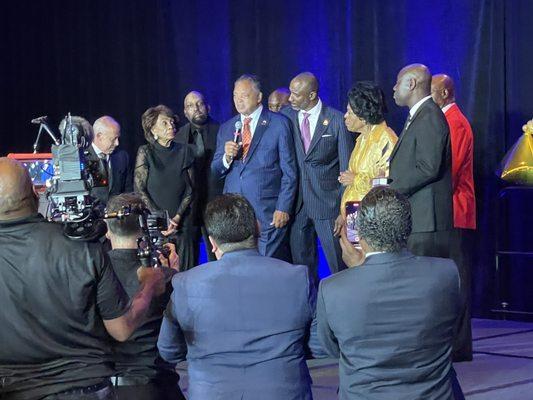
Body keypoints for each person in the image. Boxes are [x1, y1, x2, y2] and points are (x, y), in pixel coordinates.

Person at [0, 157, 164, 400]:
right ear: (36, 194)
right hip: (86, 388)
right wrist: (150, 283)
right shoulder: (82, 247)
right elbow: (121, 329)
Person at [157, 194, 315, 399]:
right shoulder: (298, 276)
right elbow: (319, 345)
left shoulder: (185, 283)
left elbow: (169, 351)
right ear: (258, 228)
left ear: (212, 243)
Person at [313, 186, 461, 400]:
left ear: (360, 234)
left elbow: (333, 348)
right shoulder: (447, 274)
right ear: (408, 228)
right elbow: (449, 334)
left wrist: (357, 274)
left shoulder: (333, 289)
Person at [104, 193, 185, 400]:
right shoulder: (163, 276)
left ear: (107, 229)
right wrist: (176, 277)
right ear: (145, 227)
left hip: (106, 387)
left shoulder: (91, 273)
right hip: (156, 385)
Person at [212, 74, 297, 260]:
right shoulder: (227, 127)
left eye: (244, 95)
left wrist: (283, 207)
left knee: (265, 266)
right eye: (235, 95)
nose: (238, 100)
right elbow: (215, 170)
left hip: (267, 212)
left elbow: (289, 171)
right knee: (238, 268)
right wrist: (226, 157)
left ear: (259, 97)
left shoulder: (279, 124)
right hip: (235, 215)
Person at [282, 71, 353, 281]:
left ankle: (342, 309)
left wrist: (342, 209)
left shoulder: (336, 120)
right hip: (297, 205)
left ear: (312, 95)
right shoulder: (286, 118)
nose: (290, 98)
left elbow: (346, 167)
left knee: (337, 264)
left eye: (296, 94)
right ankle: (310, 310)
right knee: (301, 267)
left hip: (327, 205)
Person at [432, 74, 476, 362]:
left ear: (445, 92)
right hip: (448, 208)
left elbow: (453, 168)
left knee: (457, 279)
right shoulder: (444, 120)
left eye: (431, 91)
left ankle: (459, 346)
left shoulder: (455, 122)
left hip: (456, 209)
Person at [390, 63, 453, 258]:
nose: (393, 88)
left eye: (397, 82)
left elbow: (428, 167)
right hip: (417, 218)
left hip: (426, 222)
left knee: (425, 283)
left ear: (411, 83)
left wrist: (391, 187)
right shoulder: (419, 115)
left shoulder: (429, 116)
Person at [135, 104, 195, 270]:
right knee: (159, 276)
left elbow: (190, 190)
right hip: (155, 225)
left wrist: (176, 218)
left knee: (184, 272)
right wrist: (160, 220)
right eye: (165, 123)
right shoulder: (145, 152)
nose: (171, 126)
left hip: (181, 223)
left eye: (172, 122)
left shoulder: (186, 151)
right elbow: (140, 190)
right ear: (153, 129)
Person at [338, 81, 398, 221]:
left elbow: (390, 184)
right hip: (355, 217)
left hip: (374, 221)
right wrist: (342, 215)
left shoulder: (385, 140)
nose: (345, 116)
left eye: (350, 112)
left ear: (363, 116)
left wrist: (356, 179)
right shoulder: (362, 139)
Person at [175, 91, 222, 264]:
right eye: (190, 105)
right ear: (185, 112)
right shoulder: (178, 137)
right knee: (188, 258)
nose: (196, 108)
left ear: (208, 107)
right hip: (189, 207)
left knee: (216, 255)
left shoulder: (223, 130)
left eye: (199, 104)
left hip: (215, 201)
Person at [85, 116, 133, 204]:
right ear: (99, 136)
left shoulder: (122, 157)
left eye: (118, 138)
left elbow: (129, 190)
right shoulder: (82, 158)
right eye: (114, 139)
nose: (117, 143)